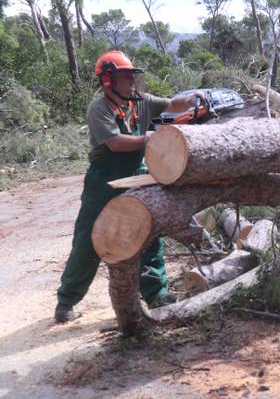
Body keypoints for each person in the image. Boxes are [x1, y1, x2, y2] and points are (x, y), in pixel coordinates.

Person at [54, 50, 204, 323]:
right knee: (89, 239)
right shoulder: (99, 108)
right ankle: (66, 301)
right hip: (104, 180)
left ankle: (157, 293)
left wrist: (195, 97)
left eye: (132, 77)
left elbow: (173, 104)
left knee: (149, 232)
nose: (132, 83)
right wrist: (149, 137)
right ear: (109, 81)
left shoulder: (141, 102)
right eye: (125, 77)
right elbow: (115, 143)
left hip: (139, 174)